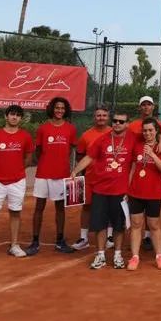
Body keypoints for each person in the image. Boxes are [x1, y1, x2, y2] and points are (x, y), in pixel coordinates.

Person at [70, 112, 136, 269]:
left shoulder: (132, 138)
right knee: (100, 224)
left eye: (121, 121)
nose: (117, 123)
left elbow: (152, 135)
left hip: (121, 190)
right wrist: (75, 171)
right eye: (115, 121)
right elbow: (89, 157)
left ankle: (118, 255)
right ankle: (100, 255)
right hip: (100, 189)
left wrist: (160, 139)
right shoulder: (102, 139)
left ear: (127, 124)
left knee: (119, 225)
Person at [0, 104, 35, 261]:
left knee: (15, 213)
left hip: (17, 181)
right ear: (6, 116)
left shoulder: (25, 136)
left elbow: (28, 159)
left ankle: (14, 245)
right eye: (12, 114)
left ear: (21, 119)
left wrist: (15, 171)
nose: (14, 117)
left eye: (18, 115)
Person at [26, 96, 77, 255]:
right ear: (52, 109)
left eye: (62, 108)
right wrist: (48, 162)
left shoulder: (70, 129)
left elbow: (72, 150)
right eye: (57, 108)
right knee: (39, 207)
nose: (59, 111)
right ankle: (34, 241)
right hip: (43, 174)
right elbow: (39, 151)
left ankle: (60, 241)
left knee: (60, 208)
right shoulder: (43, 128)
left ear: (65, 110)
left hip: (62, 174)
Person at [126, 118, 161, 270]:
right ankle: (135, 257)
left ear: (156, 131)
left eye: (151, 130)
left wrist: (152, 153)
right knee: (136, 224)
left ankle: (159, 256)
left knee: (154, 225)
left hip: (154, 193)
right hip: (136, 192)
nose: (147, 133)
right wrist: (128, 188)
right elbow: (133, 168)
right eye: (145, 130)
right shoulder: (137, 145)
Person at [72, 106, 109, 250]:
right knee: (86, 206)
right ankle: (83, 238)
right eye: (98, 115)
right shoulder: (86, 135)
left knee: (108, 207)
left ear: (108, 117)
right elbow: (81, 155)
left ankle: (110, 236)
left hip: (108, 178)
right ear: (94, 117)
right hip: (89, 177)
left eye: (104, 115)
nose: (101, 118)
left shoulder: (114, 133)